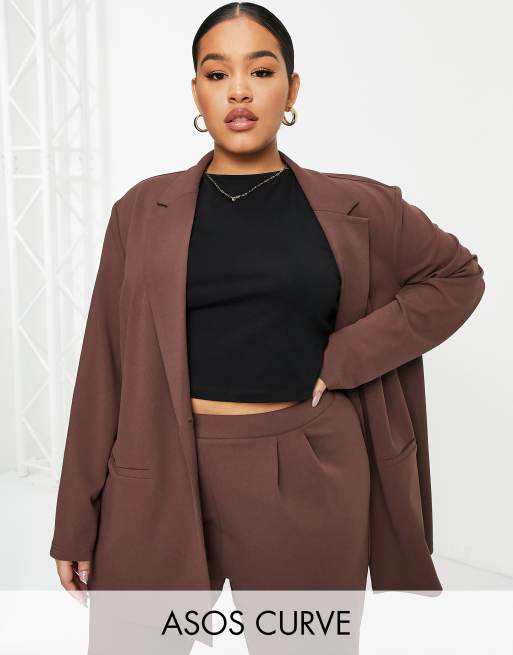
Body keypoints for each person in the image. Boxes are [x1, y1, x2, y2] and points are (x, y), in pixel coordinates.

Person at [50, 3, 485, 651]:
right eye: (216, 73)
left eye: (260, 70)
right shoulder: (140, 210)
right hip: (157, 467)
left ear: (291, 88)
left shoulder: (359, 205)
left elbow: (457, 276)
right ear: (196, 91)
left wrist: (345, 357)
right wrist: (75, 518)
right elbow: (102, 368)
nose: (239, 90)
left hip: (306, 470)